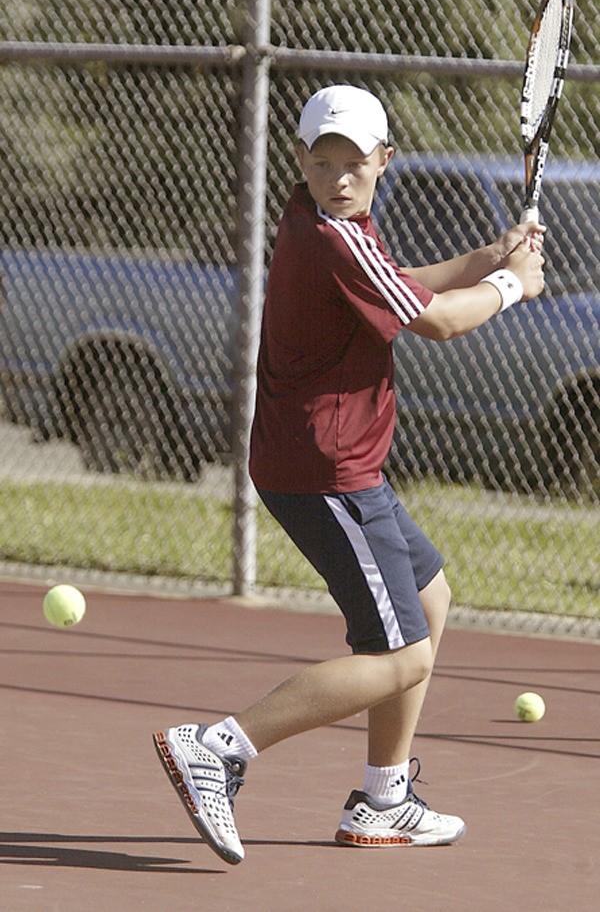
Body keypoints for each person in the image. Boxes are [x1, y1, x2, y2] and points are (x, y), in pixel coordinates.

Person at [153, 84, 545, 865]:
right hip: (325, 472)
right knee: (400, 654)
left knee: (429, 602)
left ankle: (383, 799)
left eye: (352, 162)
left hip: (334, 463)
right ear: (299, 162)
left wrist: (492, 254)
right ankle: (221, 746)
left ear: (383, 162)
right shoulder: (333, 232)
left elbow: (402, 284)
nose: (337, 175)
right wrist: (512, 285)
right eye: (321, 161)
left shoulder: (337, 230)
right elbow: (433, 321)